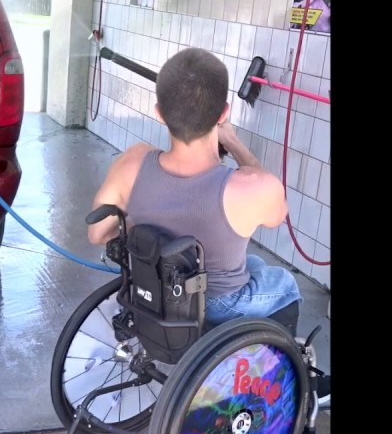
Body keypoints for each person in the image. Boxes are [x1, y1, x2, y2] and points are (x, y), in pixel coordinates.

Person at [86, 48, 329, 404]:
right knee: (285, 284)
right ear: (223, 113)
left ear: (159, 114)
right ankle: (284, 384)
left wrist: (148, 213)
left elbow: (96, 234)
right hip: (218, 303)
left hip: (156, 290)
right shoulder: (248, 188)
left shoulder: (132, 163)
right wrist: (231, 140)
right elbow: (278, 213)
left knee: (256, 266)